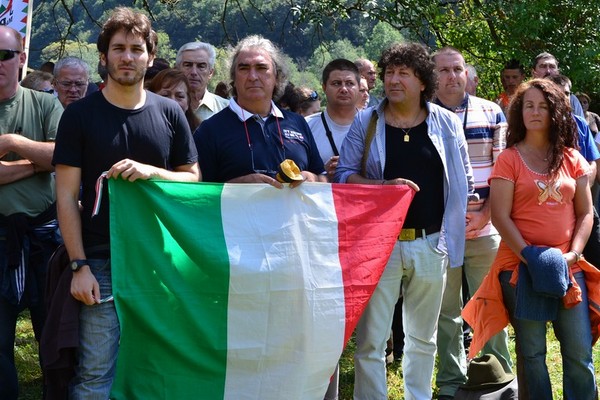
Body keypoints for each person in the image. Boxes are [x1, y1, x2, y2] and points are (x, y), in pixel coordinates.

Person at [52, 7, 200, 398]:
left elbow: (193, 178)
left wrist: (153, 172)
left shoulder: (170, 112)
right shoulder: (79, 116)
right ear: (104, 56)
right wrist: (79, 265)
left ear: (150, 57)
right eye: (119, 48)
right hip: (101, 261)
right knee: (95, 376)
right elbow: (65, 197)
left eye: (136, 49)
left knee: (154, 369)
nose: (127, 57)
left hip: (158, 261)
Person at [335, 42, 474, 400]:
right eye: (389, 73)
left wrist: (452, 234)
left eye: (404, 73)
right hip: (378, 246)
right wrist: (383, 188)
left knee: (423, 338)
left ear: (423, 81)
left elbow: (465, 180)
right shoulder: (367, 121)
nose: (393, 80)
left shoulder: (446, 123)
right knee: (371, 340)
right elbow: (344, 175)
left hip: (431, 242)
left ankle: (418, 396)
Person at [464, 78, 597, 400]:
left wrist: (573, 255)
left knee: (579, 352)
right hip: (519, 268)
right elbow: (500, 216)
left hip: (569, 267)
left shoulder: (572, 158)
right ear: (519, 112)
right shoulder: (509, 159)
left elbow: (586, 214)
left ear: (555, 113)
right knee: (533, 354)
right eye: (528, 105)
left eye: (543, 106)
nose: (535, 112)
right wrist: (530, 256)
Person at [432, 46, 512, 399]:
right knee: (446, 311)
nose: (452, 76)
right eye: (444, 70)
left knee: (491, 304)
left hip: (486, 226)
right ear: (432, 76)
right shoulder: (423, 116)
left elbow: (504, 171)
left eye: (457, 69)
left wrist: (485, 215)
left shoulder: (491, 111)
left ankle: (500, 376)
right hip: (439, 232)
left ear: (467, 73)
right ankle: (451, 381)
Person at [0, 25, 63, 400]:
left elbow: (61, 156)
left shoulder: (45, 104)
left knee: (54, 340)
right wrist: (36, 162)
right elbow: (49, 159)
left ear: (21, 59)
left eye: (4, 55)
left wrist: (11, 142)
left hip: (45, 241)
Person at [194, 35, 325, 187]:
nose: (253, 76)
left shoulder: (298, 123)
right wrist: (237, 186)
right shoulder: (209, 130)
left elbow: (323, 178)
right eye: (244, 68)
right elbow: (199, 193)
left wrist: (312, 178)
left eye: (261, 68)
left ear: (277, 77)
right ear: (233, 78)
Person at [306, 58, 360, 182]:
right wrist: (323, 173)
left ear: (359, 87)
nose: (344, 89)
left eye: (350, 83)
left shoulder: (374, 126)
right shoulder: (306, 125)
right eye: (336, 83)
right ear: (324, 87)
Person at [175, 41, 228, 121]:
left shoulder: (226, 109)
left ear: (210, 73)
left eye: (201, 66)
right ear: (177, 69)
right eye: (188, 65)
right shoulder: (164, 107)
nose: (194, 72)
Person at [531, 52, 584, 118]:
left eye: (552, 67)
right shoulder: (526, 97)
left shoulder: (571, 99)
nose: (548, 71)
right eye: (543, 66)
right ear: (533, 73)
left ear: (558, 72)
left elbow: (579, 123)